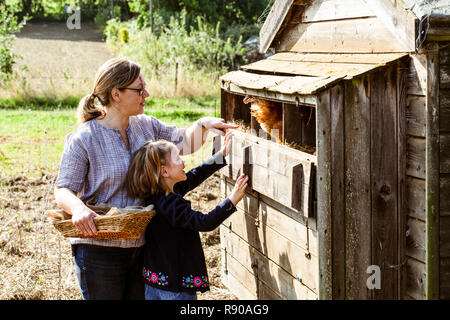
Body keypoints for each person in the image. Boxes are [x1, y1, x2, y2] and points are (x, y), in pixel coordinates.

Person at [53, 57, 238, 300]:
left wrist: (204, 125)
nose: (146, 94)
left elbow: (183, 142)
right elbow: (63, 188)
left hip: (143, 246)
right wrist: (77, 208)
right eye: (139, 89)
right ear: (116, 94)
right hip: (99, 250)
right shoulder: (84, 138)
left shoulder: (145, 126)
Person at [124, 131, 248, 300]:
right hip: (175, 289)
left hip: (154, 283)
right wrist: (232, 200)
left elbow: (193, 176)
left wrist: (221, 155)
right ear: (164, 172)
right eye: (177, 159)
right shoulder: (170, 203)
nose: (184, 162)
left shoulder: (156, 196)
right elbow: (204, 222)